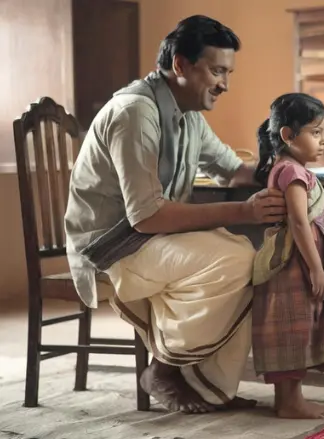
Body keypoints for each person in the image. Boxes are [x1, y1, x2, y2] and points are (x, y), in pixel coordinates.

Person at [64, 15, 287, 414]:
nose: (225, 84)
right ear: (181, 65)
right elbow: (146, 216)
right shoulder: (135, 113)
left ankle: (207, 388)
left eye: (228, 72)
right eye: (217, 71)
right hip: (112, 245)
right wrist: (244, 210)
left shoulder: (189, 117)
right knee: (233, 259)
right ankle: (164, 370)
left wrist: (287, 168)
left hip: (150, 238)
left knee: (246, 256)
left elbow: (231, 167)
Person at [249, 93, 324, 419]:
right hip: (294, 265)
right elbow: (298, 221)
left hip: (300, 263)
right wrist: (315, 269)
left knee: (300, 327)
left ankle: (292, 398)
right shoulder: (291, 173)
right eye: (315, 133)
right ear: (288, 135)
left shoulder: (294, 169)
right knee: (291, 330)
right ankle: (289, 402)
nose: (323, 141)